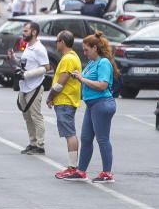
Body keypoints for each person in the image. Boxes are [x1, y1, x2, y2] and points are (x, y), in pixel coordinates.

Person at [65, 33, 118, 183]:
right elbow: (87, 79)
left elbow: (103, 85)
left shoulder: (103, 63)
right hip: (92, 104)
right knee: (86, 138)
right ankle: (81, 171)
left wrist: (82, 79)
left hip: (102, 104)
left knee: (102, 138)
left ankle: (107, 173)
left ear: (95, 48)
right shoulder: (91, 63)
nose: (85, 53)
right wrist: (77, 76)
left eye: (86, 50)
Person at [47, 30, 83, 179]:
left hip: (65, 101)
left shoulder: (67, 59)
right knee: (70, 133)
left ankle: (72, 167)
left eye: (57, 41)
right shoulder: (73, 57)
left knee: (70, 134)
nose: (56, 43)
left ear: (62, 42)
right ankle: (72, 166)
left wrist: (49, 97)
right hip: (69, 100)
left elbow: (59, 84)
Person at [14, 21, 51, 155]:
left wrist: (27, 75)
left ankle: (40, 145)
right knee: (27, 116)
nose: (23, 33)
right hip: (25, 86)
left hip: (34, 86)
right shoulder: (29, 47)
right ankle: (32, 142)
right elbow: (26, 65)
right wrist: (13, 60)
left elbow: (46, 68)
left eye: (25, 31)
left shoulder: (39, 48)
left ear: (34, 32)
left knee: (36, 116)